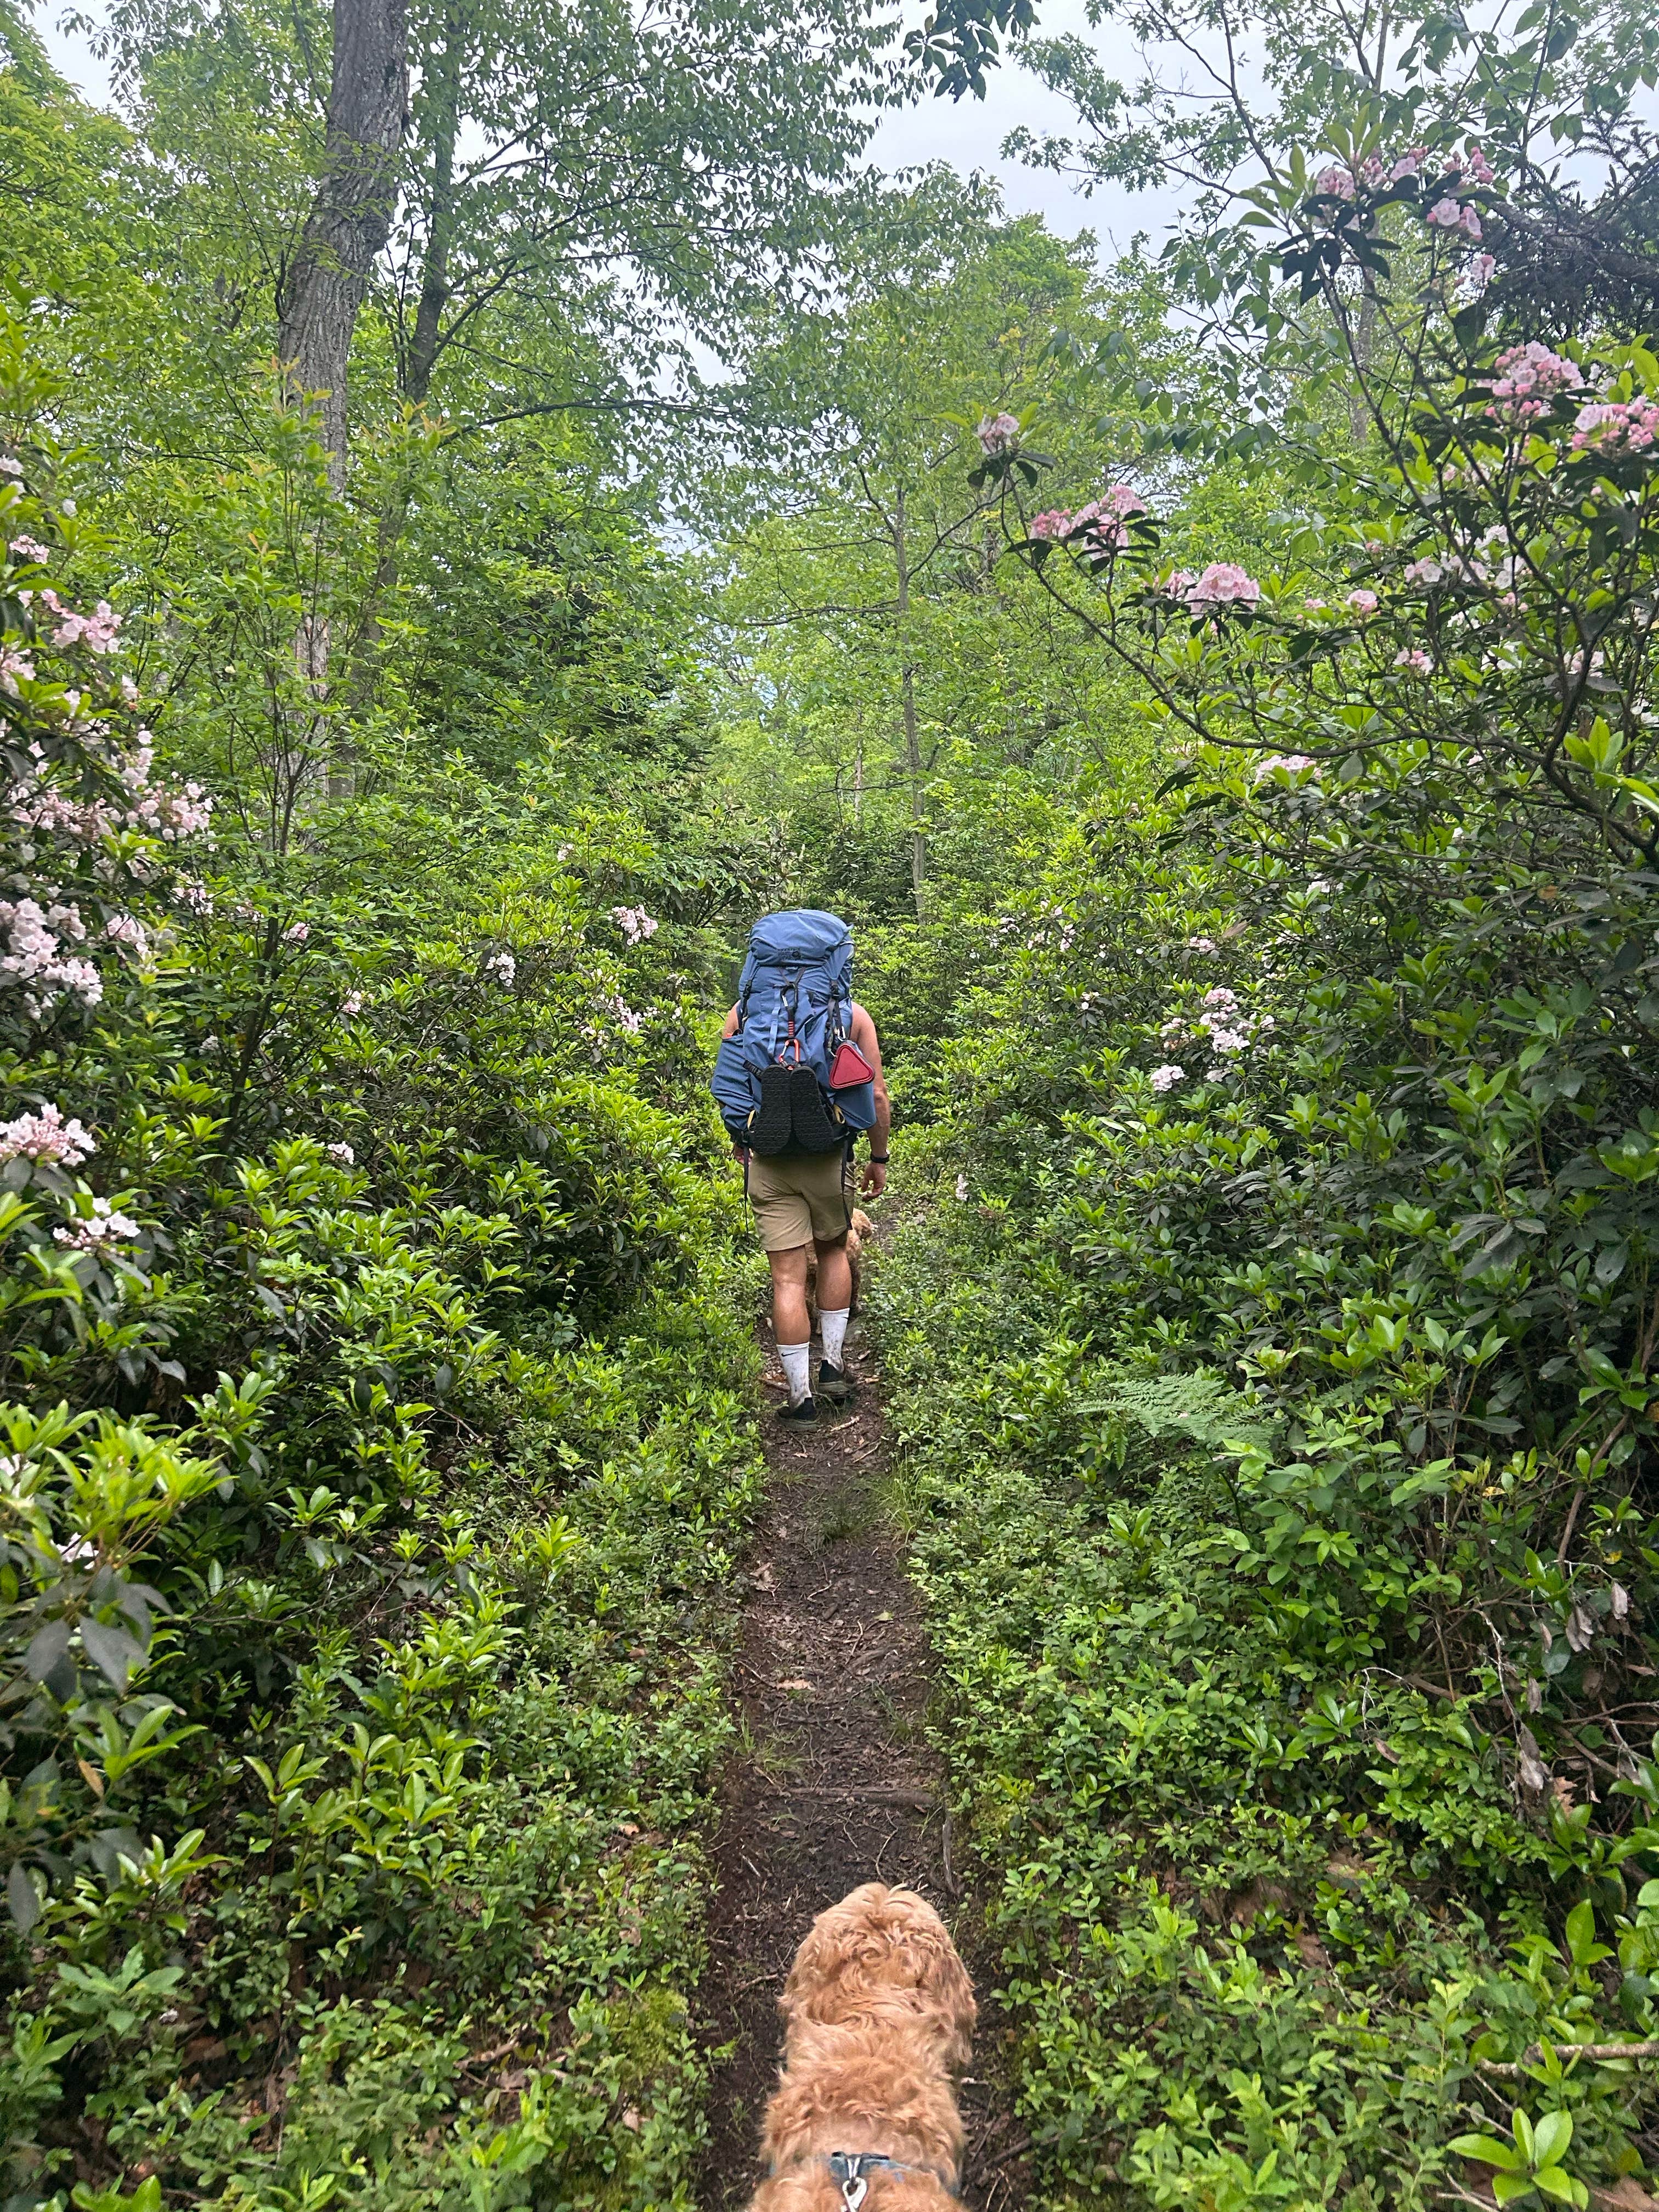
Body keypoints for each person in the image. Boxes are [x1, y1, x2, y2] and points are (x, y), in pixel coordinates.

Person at [720, 994, 889, 1425]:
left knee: (788, 1279)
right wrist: (878, 1157)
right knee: (833, 1252)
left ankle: (800, 1401)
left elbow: (729, 1085)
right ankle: (833, 1369)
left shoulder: (743, 1013)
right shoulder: (852, 1015)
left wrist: (742, 1137)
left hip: (770, 1162)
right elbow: (877, 1095)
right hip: (829, 1159)